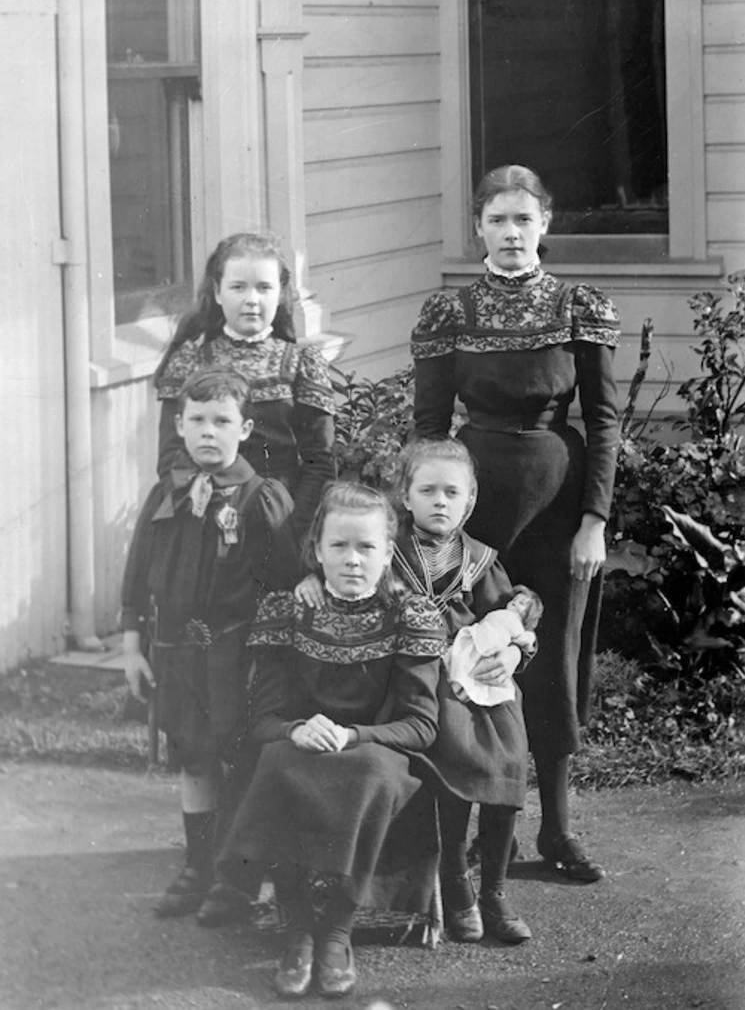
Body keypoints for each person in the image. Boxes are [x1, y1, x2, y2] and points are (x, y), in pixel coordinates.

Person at [411, 164, 620, 883]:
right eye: (497, 220)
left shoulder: (577, 306)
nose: (510, 233)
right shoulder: (450, 315)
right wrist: (430, 517)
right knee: (471, 650)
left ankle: (558, 830)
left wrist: (594, 519)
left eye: (522, 220)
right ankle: (469, 822)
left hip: (559, 510)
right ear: (478, 228)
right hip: (477, 506)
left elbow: (604, 419)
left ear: (545, 227)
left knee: (553, 658)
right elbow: (430, 424)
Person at [297, 438, 538, 945]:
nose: (440, 502)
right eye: (427, 490)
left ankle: (494, 889)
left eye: (452, 492)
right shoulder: (388, 550)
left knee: (509, 754)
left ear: (469, 501)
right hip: (417, 680)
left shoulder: (480, 560)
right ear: (405, 497)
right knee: (447, 754)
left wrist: (514, 654)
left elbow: (512, 618)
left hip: (477, 680)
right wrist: (313, 582)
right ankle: (455, 883)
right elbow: (351, 575)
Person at [215, 482, 446, 1000]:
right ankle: (297, 928)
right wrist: (296, 729)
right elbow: (263, 718)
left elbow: (421, 725)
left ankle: (337, 931)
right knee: (276, 762)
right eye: (338, 546)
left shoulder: (411, 614)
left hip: (381, 750)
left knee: (367, 772)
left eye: (367, 547)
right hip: (301, 746)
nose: (353, 559)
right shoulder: (288, 609)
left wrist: (353, 734)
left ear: (389, 553)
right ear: (316, 550)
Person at [120, 368, 300, 922]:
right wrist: (133, 646)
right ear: (179, 424)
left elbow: (287, 583)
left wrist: (269, 659)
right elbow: (137, 573)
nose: (208, 432)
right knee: (194, 758)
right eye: (196, 420)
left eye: (221, 421)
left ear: (244, 428)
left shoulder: (260, 499)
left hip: (238, 656)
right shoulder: (166, 493)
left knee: (240, 759)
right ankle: (197, 867)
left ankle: (236, 881)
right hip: (176, 652)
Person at [153, 231, 335, 539]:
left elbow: (320, 463)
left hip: (280, 519)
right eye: (238, 287)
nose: (252, 300)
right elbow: (171, 456)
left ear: (280, 294)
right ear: (218, 291)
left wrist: (292, 528)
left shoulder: (301, 363)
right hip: (204, 520)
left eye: (264, 288)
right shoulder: (191, 360)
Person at [447, 584, 542, 706]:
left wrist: (517, 651)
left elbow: (525, 638)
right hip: (479, 636)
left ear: (528, 614)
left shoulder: (514, 621)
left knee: (477, 671)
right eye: (515, 600)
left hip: (493, 646)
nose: (515, 603)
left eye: (522, 603)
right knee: (463, 659)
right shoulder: (501, 612)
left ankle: (463, 689)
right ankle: (457, 682)